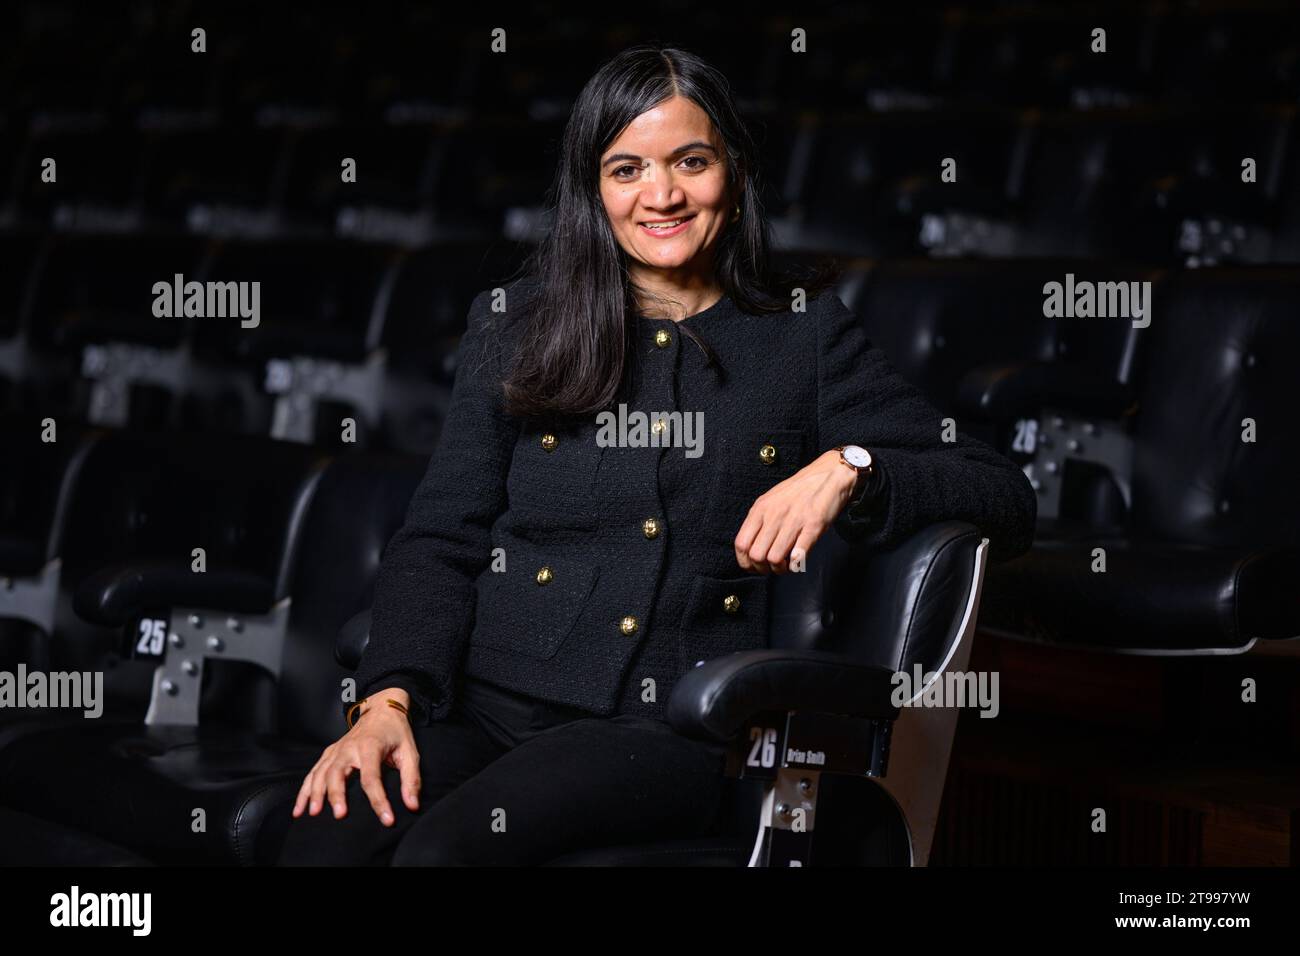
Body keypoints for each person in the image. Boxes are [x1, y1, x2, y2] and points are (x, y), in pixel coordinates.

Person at [277, 44, 1037, 866]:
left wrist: (849, 466)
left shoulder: (802, 333)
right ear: (592, 190)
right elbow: (440, 535)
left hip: (660, 726)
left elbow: (1005, 493)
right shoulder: (518, 321)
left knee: (444, 857)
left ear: (734, 174)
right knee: (326, 842)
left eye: (691, 161)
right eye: (627, 169)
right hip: (482, 701)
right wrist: (387, 703)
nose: (662, 195)